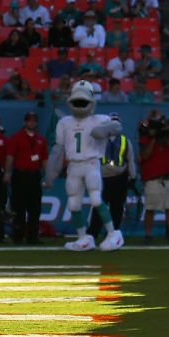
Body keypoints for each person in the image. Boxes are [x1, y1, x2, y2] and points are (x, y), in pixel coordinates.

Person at [45, 80, 124, 251]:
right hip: (73, 165)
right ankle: (83, 237)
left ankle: (113, 234)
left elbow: (117, 127)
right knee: (73, 204)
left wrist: (104, 129)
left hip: (91, 164)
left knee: (96, 199)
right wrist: (51, 173)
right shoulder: (65, 122)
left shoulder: (100, 119)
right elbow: (57, 150)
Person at [88, 112, 135, 238]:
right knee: (99, 205)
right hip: (102, 178)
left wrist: (133, 176)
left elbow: (130, 159)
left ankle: (113, 233)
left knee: (117, 208)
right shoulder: (99, 140)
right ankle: (93, 232)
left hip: (120, 177)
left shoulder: (125, 140)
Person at [4, 111, 48, 244]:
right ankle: (18, 236)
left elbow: (45, 159)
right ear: (25, 122)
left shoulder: (41, 139)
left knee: (35, 208)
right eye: (29, 120)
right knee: (18, 208)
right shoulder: (16, 138)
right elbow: (10, 156)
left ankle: (32, 237)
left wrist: (48, 176)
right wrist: (7, 172)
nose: (32, 123)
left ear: (37, 122)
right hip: (20, 175)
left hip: (34, 176)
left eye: (34, 120)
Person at [139, 116, 169, 243]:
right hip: (153, 179)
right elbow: (145, 155)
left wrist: (166, 136)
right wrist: (154, 137)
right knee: (150, 209)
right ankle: (148, 234)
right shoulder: (146, 139)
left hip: (168, 178)